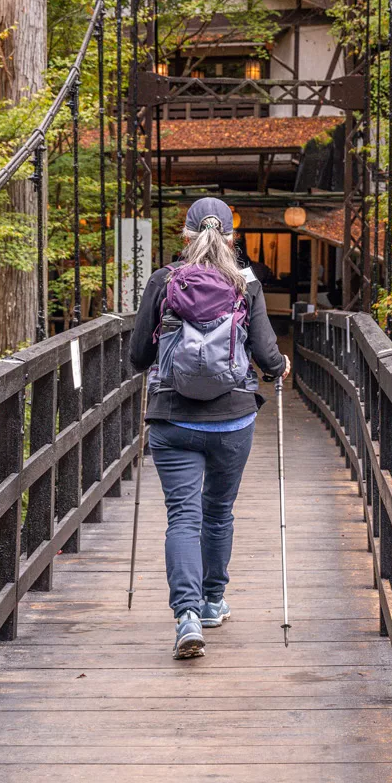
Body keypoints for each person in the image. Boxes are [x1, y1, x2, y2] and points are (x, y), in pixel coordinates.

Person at [129, 197, 289, 659]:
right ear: (233, 238)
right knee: (218, 511)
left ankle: (187, 617)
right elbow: (266, 356)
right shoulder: (247, 285)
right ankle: (214, 601)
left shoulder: (163, 281)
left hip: (172, 418)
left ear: (185, 235)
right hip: (233, 418)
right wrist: (280, 367)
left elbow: (139, 357)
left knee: (183, 515)